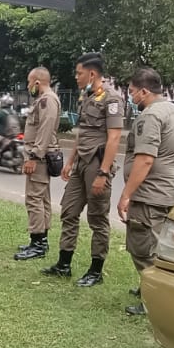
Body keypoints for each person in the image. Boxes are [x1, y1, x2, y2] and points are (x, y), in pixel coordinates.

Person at [42, 52, 125, 287]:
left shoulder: (112, 99)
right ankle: (64, 264)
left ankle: (95, 271)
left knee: (97, 218)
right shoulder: (87, 96)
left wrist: (103, 173)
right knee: (69, 211)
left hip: (98, 164)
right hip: (80, 164)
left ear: (92, 73)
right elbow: (83, 133)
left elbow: (114, 138)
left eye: (79, 73)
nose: (76, 77)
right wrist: (70, 161)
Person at [117, 67, 174, 315]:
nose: (131, 96)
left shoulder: (151, 116)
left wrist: (126, 194)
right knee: (162, 247)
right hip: (171, 192)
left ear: (144, 91)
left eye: (132, 92)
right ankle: (150, 288)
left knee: (144, 249)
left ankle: (154, 300)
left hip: (151, 195)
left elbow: (146, 159)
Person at [14, 67, 60, 261]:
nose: (28, 86)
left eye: (29, 82)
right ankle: (41, 241)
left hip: (39, 158)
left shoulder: (47, 100)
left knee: (34, 199)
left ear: (37, 82)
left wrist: (34, 157)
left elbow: (45, 130)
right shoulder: (44, 100)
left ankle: (37, 244)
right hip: (41, 156)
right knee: (42, 199)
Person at [0, 94, 20, 159]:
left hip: (2, 134)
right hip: (14, 134)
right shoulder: (14, 112)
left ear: (3, 103)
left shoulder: (1, 113)